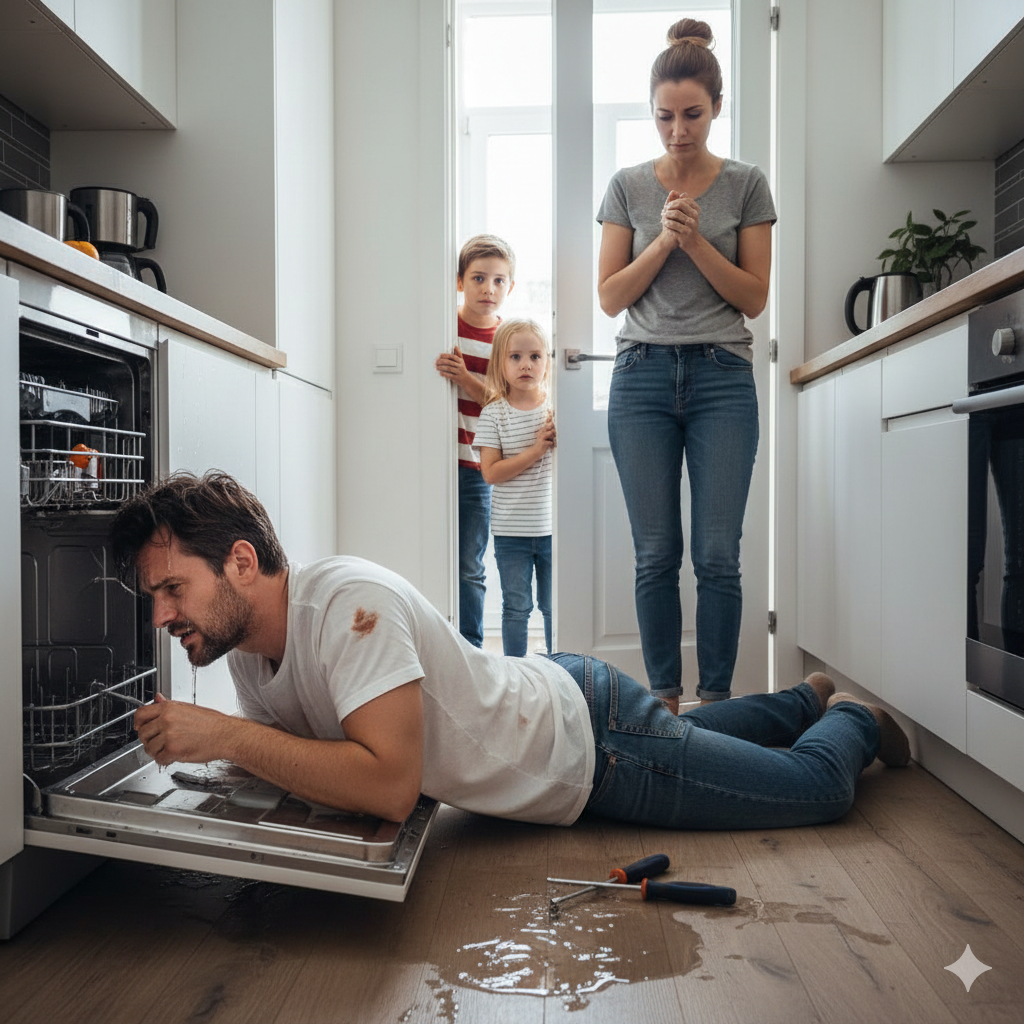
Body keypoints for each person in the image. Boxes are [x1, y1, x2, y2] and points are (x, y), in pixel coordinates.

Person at [113, 471, 910, 832]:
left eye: (173, 588)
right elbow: (297, 760)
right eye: (155, 597)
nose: (161, 616)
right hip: (565, 702)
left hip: (593, 750)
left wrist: (224, 736)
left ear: (241, 563)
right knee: (688, 740)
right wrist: (220, 756)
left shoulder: (350, 608)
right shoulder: (248, 649)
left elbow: (389, 787)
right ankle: (800, 701)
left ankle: (852, 719)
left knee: (811, 789)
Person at [597, 19, 777, 712]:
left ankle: (718, 708)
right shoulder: (626, 187)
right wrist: (664, 242)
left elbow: (754, 299)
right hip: (640, 377)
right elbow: (610, 296)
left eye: (693, 115)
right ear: (652, 111)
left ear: (716, 107)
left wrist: (698, 241)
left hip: (721, 378)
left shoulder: (747, 185)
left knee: (718, 555)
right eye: (665, 116)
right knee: (655, 555)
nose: (678, 130)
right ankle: (665, 708)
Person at [435, 234, 517, 649]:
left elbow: (505, 403)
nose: (489, 289)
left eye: (499, 280)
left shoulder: (506, 341)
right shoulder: (442, 325)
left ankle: (471, 649)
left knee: (470, 564)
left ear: (510, 287)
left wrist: (465, 377)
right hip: (436, 460)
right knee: (433, 552)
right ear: (459, 281)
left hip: (475, 468)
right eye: (479, 278)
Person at [474, 318, 556, 657]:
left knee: (554, 606)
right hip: (511, 532)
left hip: (552, 530)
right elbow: (491, 473)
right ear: (500, 363)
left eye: (535, 356)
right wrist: (536, 451)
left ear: (547, 361)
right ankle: (515, 673)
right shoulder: (494, 414)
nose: (526, 365)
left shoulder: (555, 410)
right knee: (516, 607)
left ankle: (559, 668)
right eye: (516, 357)